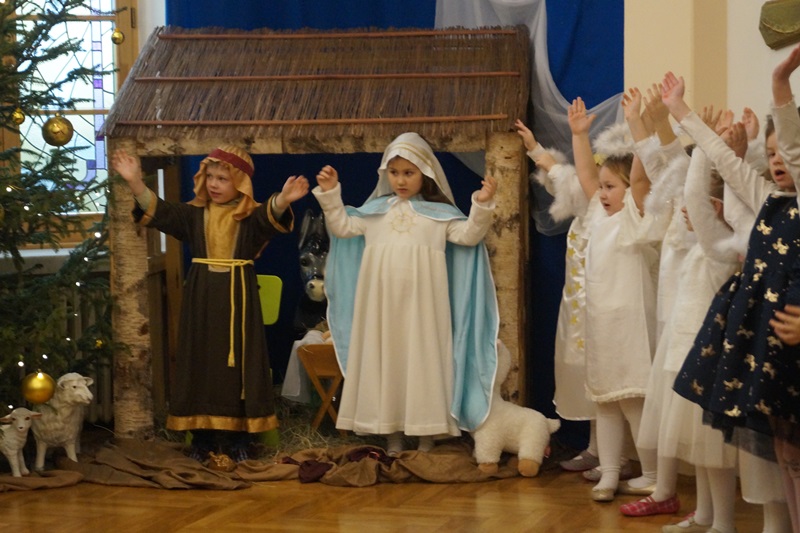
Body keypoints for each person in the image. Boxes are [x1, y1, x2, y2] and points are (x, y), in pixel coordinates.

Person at [111, 146, 309, 462]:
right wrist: (135, 181)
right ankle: (202, 439)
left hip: (238, 299)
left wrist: (284, 199)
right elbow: (162, 211)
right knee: (200, 360)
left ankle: (238, 439)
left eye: (223, 178)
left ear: (240, 183)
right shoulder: (194, 214)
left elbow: (268, 216)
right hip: (201, 299)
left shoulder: (248, 216)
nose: (214, 184)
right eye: (210, 177)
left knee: (238, 364)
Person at [666, 65, 799, 533]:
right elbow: (725, 160)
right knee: (786, 453)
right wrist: (680, 110)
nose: (780, 160)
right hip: (769, 345)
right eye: (771, 153)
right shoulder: (768, 199)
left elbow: (794, 148)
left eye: (786, 152)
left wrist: (780, 88)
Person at [312, 132, 499, 455]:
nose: (400, 180)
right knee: (388, 360)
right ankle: (392, 435)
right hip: (382, 307)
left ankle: (427, 435)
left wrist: (481, 205)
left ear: (424, 173)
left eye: (409, 173)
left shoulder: (438, 215)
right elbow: (342, 227)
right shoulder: (374, 212)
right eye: (394, 172)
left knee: (423, 360)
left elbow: (469, 236)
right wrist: (331, 194)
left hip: (424, 306)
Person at [568, 96, 660, 503]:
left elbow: (640, 181)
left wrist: (639, 126)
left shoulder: (634, 216)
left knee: (634, 400)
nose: (602, 193)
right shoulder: (599, 216)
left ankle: (652, 474)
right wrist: (579, 136)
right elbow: (587, 176)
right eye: (602, 188)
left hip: (631, 324)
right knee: (605, 401)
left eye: (611, 187)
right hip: (601, 324)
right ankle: (608, 473)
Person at [515, 118, 603, 474]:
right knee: (586, 377)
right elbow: (558, 174)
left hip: (603, 310)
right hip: (578, 311)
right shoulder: (584, 210)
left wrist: (579, 136)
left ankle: (619, 456)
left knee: (606, 380)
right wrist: (534, 147)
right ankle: (597, 448)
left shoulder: (610, 215)